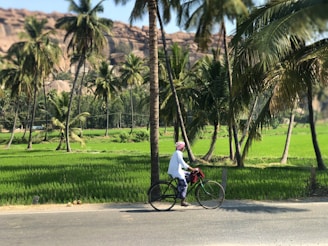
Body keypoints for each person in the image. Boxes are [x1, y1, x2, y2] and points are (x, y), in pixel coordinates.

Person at [167, 141, 198, 207]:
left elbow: (182, 164)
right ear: (181, 148)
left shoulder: (177, 153)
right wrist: (192, 169)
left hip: (177, 170)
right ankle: (182, 201)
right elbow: (183, 163)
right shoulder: (178, 153)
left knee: (189, 174)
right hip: (176, 172)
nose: (184, 148)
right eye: (183, 147)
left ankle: (180, 189)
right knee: (185, 185)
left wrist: (191, 170)